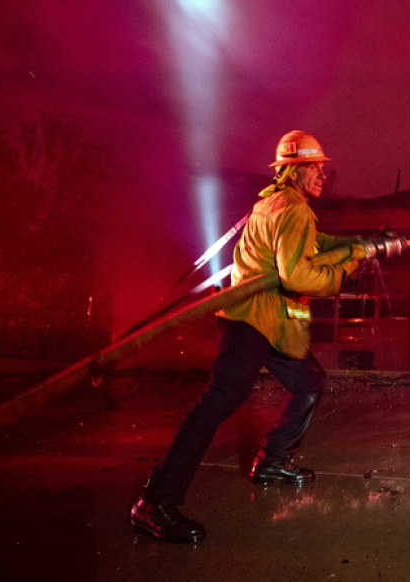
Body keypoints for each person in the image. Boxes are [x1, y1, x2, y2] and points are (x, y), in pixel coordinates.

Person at [130, 130, 372, 543]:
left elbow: (317, 243)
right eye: (314, 168)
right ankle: (155, 501)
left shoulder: (274, 204)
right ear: (293, 170)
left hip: (270, 323)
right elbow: (299, 276)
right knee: (217, 404)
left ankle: (272, 462)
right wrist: (348, 265)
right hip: (251, 323)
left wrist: (360, 244)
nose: (322, 175)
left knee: (308, 382)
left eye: (323, 169)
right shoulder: (293, 209)